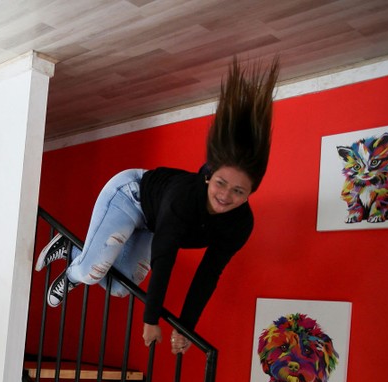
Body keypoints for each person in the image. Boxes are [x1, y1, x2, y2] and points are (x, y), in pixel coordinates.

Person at [35, 57, 279, 355]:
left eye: (238, 191)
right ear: (208, 176)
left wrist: (186, 327)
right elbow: (165, 258)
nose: (226, 196)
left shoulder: (240, 225)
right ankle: (75, 267)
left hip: (153, 224)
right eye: (220, 183)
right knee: (91, 273)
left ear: (251, 192)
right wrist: (151, 320)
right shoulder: (184, 198)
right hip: (131, 196)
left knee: (121, 289)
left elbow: (208, 274)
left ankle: (74, 250)